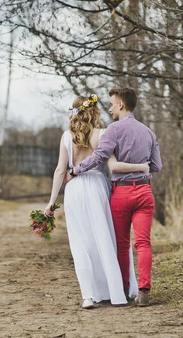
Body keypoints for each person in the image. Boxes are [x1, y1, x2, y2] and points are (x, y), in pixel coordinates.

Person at [44, 94, 146, 309]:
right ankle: (116, 292)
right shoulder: (103, 134)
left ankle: (88, 296)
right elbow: (113, 165)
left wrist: (51, 202)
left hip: (74, 190)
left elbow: (60, 170)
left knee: (81, 244)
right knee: (105, 237)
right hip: (98, 187)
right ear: (93, 111)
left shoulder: (66, 136)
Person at [72, 88, 162, 307]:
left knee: (122, 245)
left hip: (121, 193)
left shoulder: (114, 130)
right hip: (144, 191)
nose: (110, 108)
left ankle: (122, 289)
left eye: (112, 104)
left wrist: (76, 170)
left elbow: (99, 156)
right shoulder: (148, 132)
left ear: (121, 104)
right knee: (143, 243)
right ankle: (143, 290)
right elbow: (157, 166)